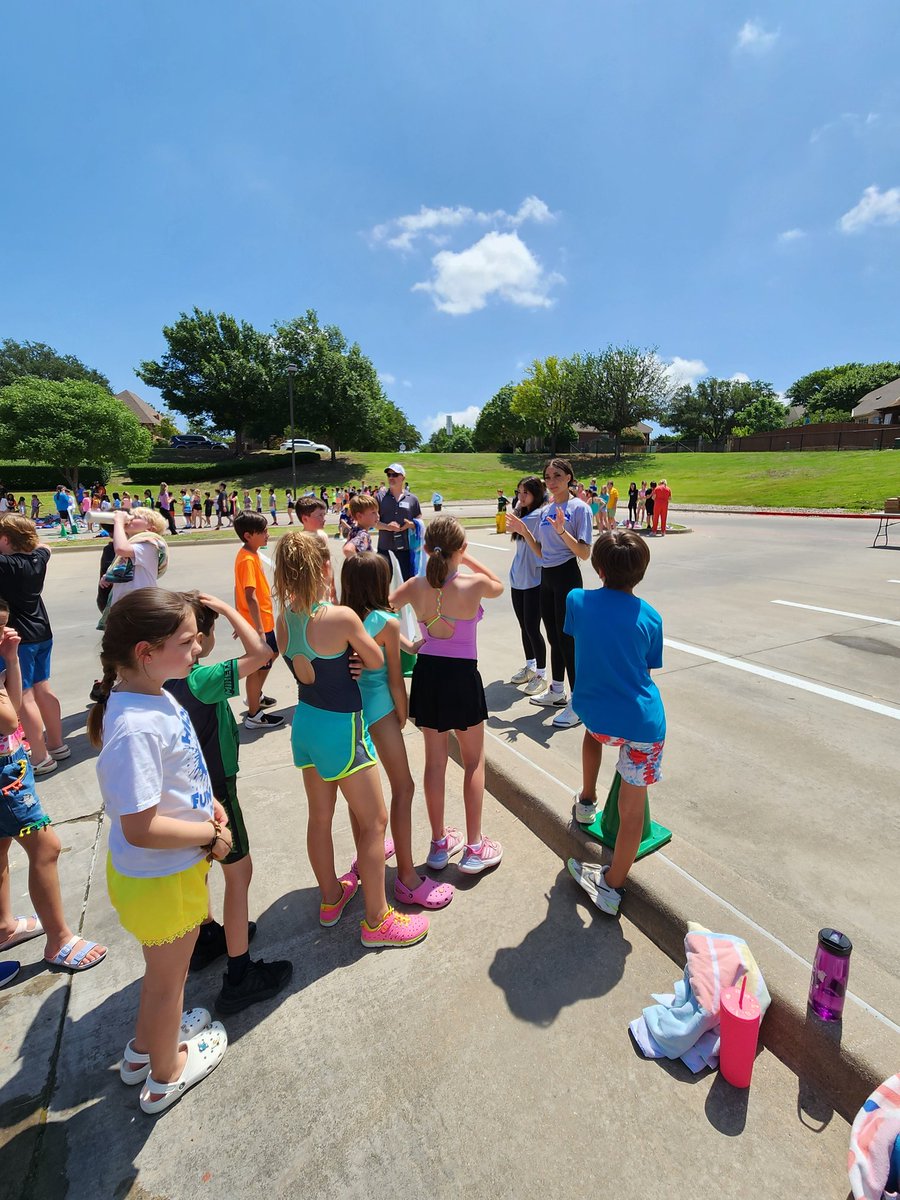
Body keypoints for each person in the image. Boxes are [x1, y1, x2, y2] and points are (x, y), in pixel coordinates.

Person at [89, 589, 230, 1114]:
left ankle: (142, 1052)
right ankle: (167, 1074)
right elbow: (142, 826)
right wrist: (208, 836)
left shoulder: (151, 693)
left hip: (163, 875)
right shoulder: (134, 726)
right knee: (171, 983)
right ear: (146, 652)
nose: (199, 649)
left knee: (162, 975)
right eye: (188, 642)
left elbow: (177, 774)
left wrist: (208, 802)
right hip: (161, 879)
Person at [273, 532, 428, 948]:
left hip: (305, 725)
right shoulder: (339, 617)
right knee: (375, 822)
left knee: (319, 818)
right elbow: (375, 660)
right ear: (323, 567)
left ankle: (330, 898)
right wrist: (356, 657)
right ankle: (377, 921)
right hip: (341, 730)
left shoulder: (283, 621)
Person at [164, 593, 292, 1012]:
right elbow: (262, 652)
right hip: (216, 788)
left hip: (185, 791)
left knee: (201, 864)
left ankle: (206, 935)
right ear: (200, 639)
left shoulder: (160, 679)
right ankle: (240, 974)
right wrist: (228, 608)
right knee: (239, 873)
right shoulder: (201, 678)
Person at [391, 515, 504, 876]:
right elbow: (499, 585)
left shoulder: (414, 585)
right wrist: (466, 558)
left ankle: (439, 843)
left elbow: (378, 610)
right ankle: (474, 847)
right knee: (473, 762)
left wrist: (407, 644)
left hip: (427, 675)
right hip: (461, 677)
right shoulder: (473, 584)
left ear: (425, 548)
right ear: (461, 549)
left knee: (435, 763)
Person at [341, 554, 453, 910]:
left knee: (359, 795)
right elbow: (394, 679)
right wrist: (403, 715)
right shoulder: (387, 622)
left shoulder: (341, 618)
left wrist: (407, 644)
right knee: (403, 788)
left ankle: (364, 857)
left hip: (351, 714)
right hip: (381, 710)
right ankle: (407, 877)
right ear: (380, 583)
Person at [0, 606, 107, 971]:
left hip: (11, 764)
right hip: (6, 779)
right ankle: (59, 940)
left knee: (1, 845)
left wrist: (11, 659)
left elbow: (14, 705)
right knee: (47, 846)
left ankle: (4, 926)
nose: (5, 634)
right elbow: (8, 720)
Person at [566, 530, 666, 917]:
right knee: (632, 813)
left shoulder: (577, 600)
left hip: (596, 716)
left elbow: (577, 636)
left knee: (591, 737)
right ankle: (612, 886)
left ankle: (587, 800)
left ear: (600, 569)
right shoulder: (651, 617)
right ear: (641, 572)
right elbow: (646, 669)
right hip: (642, 725)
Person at [506, 458, 592, 730]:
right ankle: (556, 690)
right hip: (547, 577)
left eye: (557, 475)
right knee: (554, 638)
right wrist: (524, 531)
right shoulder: (546, 511)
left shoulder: (579, 508)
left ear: (569, 477)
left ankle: (579, 702)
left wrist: (562, 531)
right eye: (548, 477)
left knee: (568, 640)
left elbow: (584, 553)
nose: (551, 481)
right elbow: (542, 553)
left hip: (567, 575)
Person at [0, 516, 67, 775]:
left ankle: (40, 757)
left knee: (25, 695)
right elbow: (45, 547)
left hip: (20, 637)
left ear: (6, 539)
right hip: (42, 632)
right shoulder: (37, 559)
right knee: (43, 688)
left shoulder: (6, 563)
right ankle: (57, 744)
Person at [232, 512, 283, 731]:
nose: (267, 534)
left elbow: (237, 588)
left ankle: (255, 696)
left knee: (272, 654)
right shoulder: (247, 560)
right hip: (258, 624)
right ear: (248, 535)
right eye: (263, 532)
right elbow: (250, 595)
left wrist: (239, 618)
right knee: (257, 665)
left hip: (258, 621)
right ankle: (254, 715)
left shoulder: (250, 554)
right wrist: (259, 630)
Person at [505, 476, 547, 697]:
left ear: (536, 494)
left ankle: (541, 674)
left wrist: (518, 509)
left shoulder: (537, 516)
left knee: (532, 627)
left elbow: (509, 522)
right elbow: (509, 525)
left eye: (525, 493)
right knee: (524, 626)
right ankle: (530, 666)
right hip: (518, 578)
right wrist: (520, 505)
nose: (520, 497)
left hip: (534, 580)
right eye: (518, 492)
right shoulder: (524, 514)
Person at [106, 508, 169, 611]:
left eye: (136, 517)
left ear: (150, 529)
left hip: (141, 603)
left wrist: (118, 522)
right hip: (124, 603)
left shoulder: (151, 545)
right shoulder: (132, 544)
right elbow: (125, 566)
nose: (130, 518)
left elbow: (121, 549)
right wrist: (109, 575)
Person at [376, 464, 421, 582]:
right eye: (389, 475)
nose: (391, 477)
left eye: (395, 475)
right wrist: (387, 527)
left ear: (403, 478)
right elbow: (373, 523)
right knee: (383, 583)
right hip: (385, 549)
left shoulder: (413, 499)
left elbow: (419, 523)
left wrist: (411, 525)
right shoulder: (379, 498)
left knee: (408, 583)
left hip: (405, 549)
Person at [342, 493, 379, 558]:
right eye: (373, 512)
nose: (378, 515)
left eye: (377, 512)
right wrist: (360, 563)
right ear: (359, 516)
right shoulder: (363, 535)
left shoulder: (354, 530)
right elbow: (348, 549)